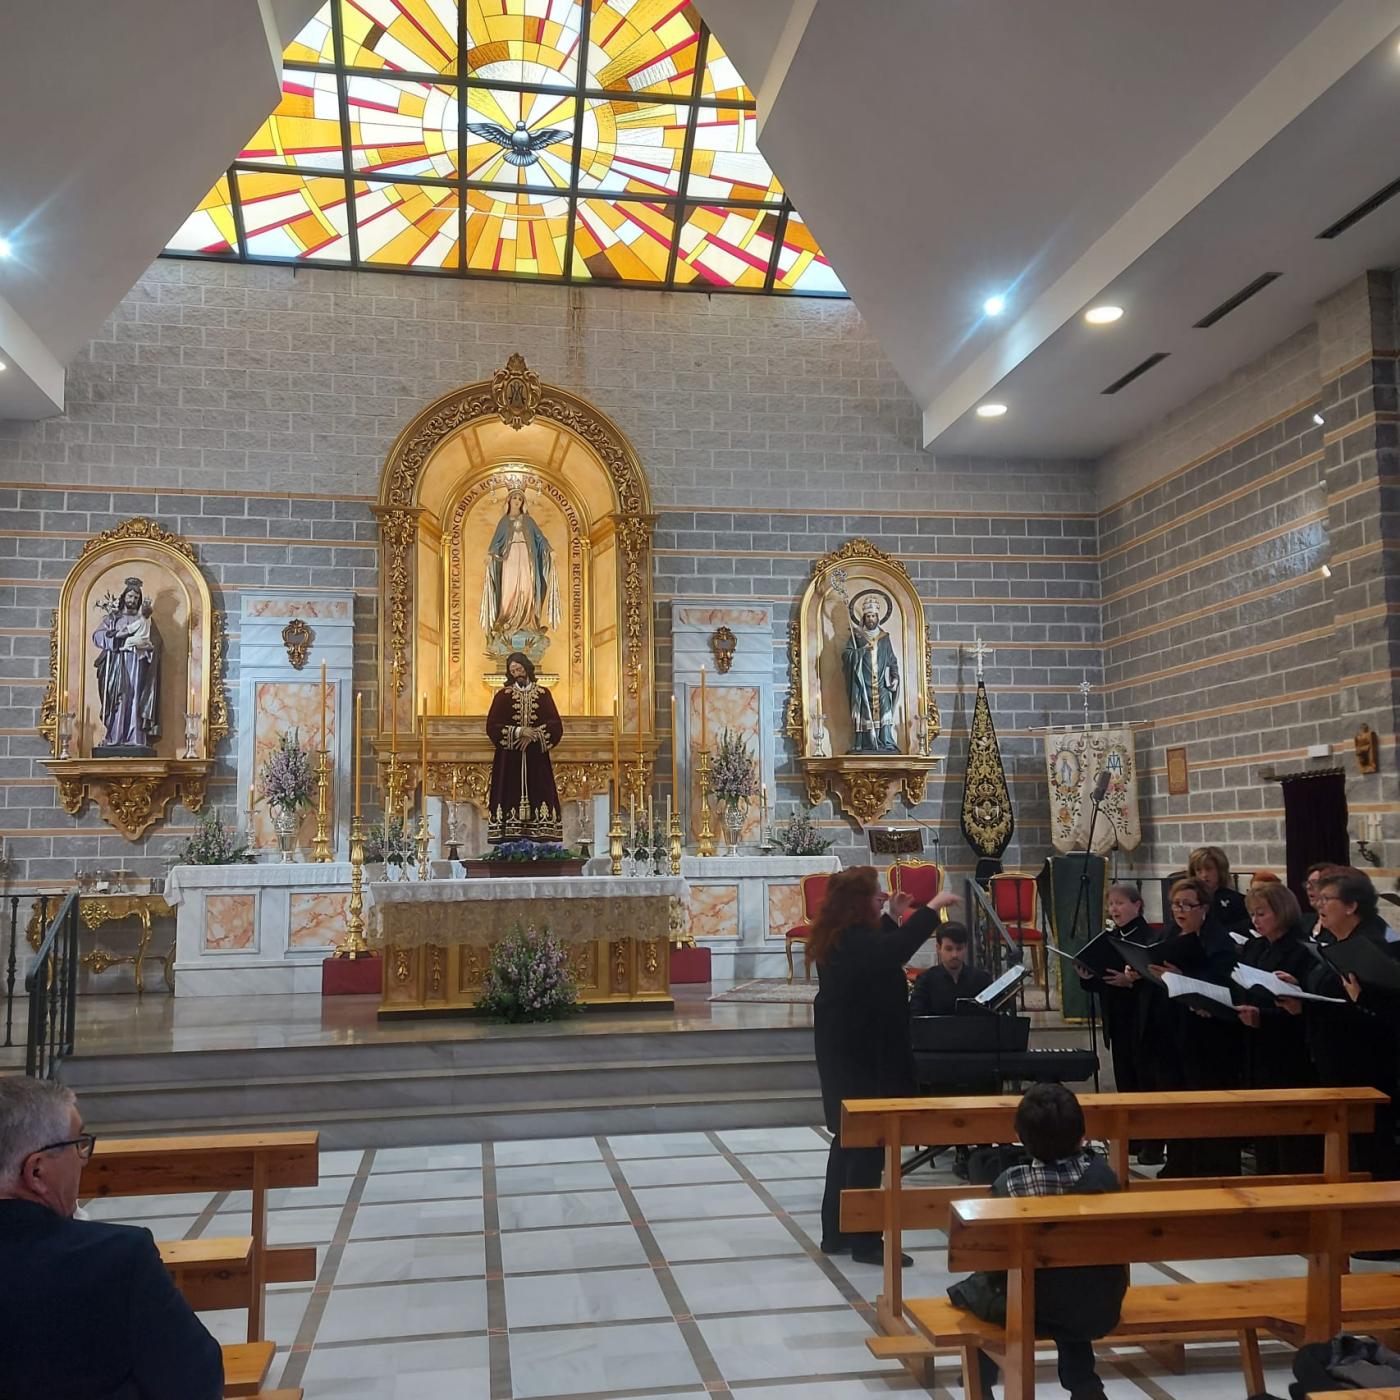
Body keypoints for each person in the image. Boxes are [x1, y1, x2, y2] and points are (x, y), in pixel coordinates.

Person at [0, 1077, 223, 1400]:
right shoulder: (118, 1258)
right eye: (78, 1144)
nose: (83, 1159)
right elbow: (197, 1381)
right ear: (37, 1172)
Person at [812, 866, 960, 1263]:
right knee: (867, 1144)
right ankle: (864, 1240)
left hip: (850, 1051)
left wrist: (893, 915)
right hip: (864, 1056)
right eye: (875, 893)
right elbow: (892, 951)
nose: (881, 896)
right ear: (858, 903)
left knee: (848, 1142)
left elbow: (880, 950)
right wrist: (931, 908)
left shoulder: (842, 934)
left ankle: (837, 1233)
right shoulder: (853, 940)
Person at [948, 1084, 1127, 1400]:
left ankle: (979, 1381)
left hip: (1031, 1306)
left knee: (977, 1295)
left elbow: (993, 1261)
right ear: (1081, 1135)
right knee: (1070, 1288)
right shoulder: (1104, 1178)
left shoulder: (1011, 1186)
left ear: (1020, 1136)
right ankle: (1084, 1384)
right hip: (1099, 1306)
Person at [1282, 869, 1400, 1181]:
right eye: (1318, 898)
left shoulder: (1371, 945)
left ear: (1351, 906)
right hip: (1334, 1056)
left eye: (1327, 899)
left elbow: (1382, 1011)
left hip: (1365, 1063)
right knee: (1349, 1147)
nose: (1319, 905)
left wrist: (1363, 999)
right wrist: (1299, 992)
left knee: (1372, 1148)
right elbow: (1331, 994)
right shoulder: (1334, 940)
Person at [1152, 876, 1242, 1176]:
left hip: (1207, 1033)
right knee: (1175, 1097)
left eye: (1187, 905)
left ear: (1204, 908)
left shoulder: (1218, 941)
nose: (1179, 910)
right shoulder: (1169, 934)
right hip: (1174, 1027)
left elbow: (1225, 982)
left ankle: (1212, 1168)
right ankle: (1179, 1163)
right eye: (1175, 904)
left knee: (1205, 1099)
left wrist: (1183, 976)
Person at [1234, 882, 1320, 1173]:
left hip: (1288, 1051)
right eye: (1252, 914)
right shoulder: (1255, 946)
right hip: (1255, 1047)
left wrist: (1264, 1015)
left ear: (1282, 911)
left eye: (1262, 913)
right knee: (1263, 1127)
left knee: (1289, 1135)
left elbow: (1307, 1004)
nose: (1255, 920)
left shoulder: (1301, 949)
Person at [1076, 882, 1163, 1162]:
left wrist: (1131, 981)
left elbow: (1156, 982)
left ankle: (1152, 1143)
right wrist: (1087, 977)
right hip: (1118, 1020)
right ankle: (1132, 1139)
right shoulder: (1110, 938)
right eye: (1111, 904)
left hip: (1143, 1021)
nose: (1114, 909)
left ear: (1137, 905)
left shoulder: (1149, 938)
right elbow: (1105, 979)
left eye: (1120, 903)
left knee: (1145, 1082)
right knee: (1125, 1081)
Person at [484, 651, 564, 844]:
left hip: (536, 757)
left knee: (540, 790)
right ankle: (509, 839)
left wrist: (534, 734)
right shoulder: (503, 696)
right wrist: (519, 732)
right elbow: (492, 726)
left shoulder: (543, 695)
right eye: (512, 671)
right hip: (509, 759)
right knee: (508, 792)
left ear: (527, 668)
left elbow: (555, 726)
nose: (516, 674)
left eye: (519, 669)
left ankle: (540, 838)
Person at [480, 486, 560, 643]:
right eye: (515, 498)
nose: (517, 501)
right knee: (509, 589)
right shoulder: (504, 522)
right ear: (508, 500)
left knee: (526, 587)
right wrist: (490, 555)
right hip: (509, 559)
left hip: (526, 558)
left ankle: (527, 622)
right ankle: (508, 621)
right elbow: (496, 541)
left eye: (520, 499)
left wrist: (550, 550)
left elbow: (540, 538)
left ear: (523, 503)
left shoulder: (528, 521)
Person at [909, 922, 992, 1015]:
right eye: (949, 949)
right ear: (938, 948)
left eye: (959, 948)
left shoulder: (981, 979)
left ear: (965, 947)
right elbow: (916, 1016)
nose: (954, 955)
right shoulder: (925, 981)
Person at [1188, 846, 1251, 935]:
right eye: (1199, 870)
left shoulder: (1237, 900)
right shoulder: (1188, 901)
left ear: (1220, 870)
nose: (1204, 875)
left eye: (1209, 869)